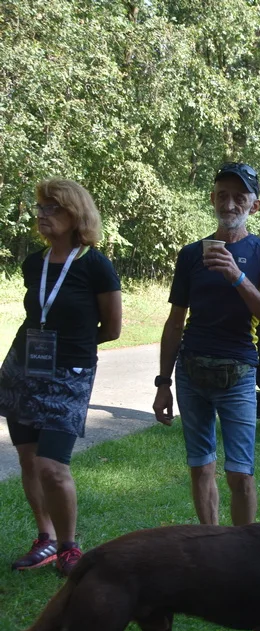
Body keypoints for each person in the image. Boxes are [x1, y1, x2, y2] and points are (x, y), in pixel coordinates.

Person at [0, 179, 122, 576]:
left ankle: (69, 546)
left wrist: (72, 350)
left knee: (53, 465)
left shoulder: (95, 264)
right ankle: (45, 539)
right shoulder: (33, 262)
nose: (41, 215)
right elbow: (37, 313)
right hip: (24, 368)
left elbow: (113, 329)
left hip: (69, 373)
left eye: (52, 208)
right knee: (29, 460)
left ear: (75, 214)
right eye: (39, 207)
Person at [153, 163, 260, 527]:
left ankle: (245, 554)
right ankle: (211, 548)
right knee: (200, 467)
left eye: (239, 197)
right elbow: (175, 321)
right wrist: (163, 383)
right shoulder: (191, 254)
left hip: (239, 373)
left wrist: (237, 276)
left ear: (253, 206)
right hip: (191, 372)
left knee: (240, 474)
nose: (229, 204)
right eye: (222, 196)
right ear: (212, 199)